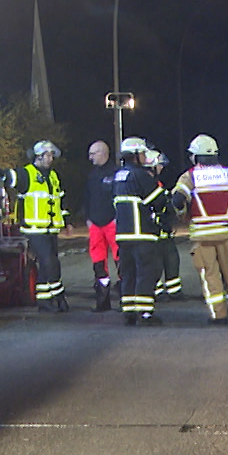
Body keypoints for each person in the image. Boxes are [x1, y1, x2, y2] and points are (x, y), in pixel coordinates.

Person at [173, 134, 228, 323]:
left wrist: (182, 213)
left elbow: (177, 199)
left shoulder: (190, 176)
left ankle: (219, 315)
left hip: (203, 236)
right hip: (226, 233)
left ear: (196, 156)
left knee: (210, 275)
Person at [8, 140, 68, 311]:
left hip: (50, 229)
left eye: (51, 156)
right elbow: (10, 176)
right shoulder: (27, 174)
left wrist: (67, 222)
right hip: (34, 229)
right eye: (47, 155)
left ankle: (44, 299)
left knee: (48, 262)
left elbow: (59, 202)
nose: (50, 159)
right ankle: (58, 294)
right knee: (50, 262)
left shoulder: (53, 176)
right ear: (38, 157)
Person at [111, 137, 165, 326]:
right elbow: (158, 201)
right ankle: (145, 313)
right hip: (142, 234)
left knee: (128, 273)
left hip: (123, 235)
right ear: (135, 155)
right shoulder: (140, 175)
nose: (144, 156)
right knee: (146, 272)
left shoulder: (119, 175)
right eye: (142, 153)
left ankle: (129, 312)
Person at [147, 148, 186, 300]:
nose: (161, 168)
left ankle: (174, 290)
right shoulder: (147, 183)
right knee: (155, 262)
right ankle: (156, 291)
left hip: (163, 231)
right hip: (154, 232)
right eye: (159, 165)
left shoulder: (157, 182)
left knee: (171, 259)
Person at [85, 140, 118, 311]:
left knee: (121, 260)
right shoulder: (91, 175)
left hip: (113, 223)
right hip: (96, 225)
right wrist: (88, 219)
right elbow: (87, 198)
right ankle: (103, 301)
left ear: (103, 153)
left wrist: (117, 218)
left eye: (93, 154)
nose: (90, 157)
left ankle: (127, 300)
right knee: (98, 263)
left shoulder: (116, 173)